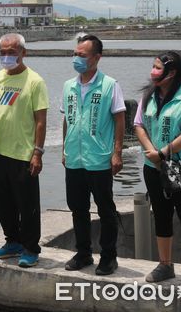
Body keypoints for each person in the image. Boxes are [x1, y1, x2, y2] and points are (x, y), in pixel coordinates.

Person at [134, 51, 181, 285]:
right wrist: (151, 153)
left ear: (171, 73)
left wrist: (163, 153)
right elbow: (139, 125)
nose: (152, 71)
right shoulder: (148, 97)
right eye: (153, 66)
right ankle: (165, 265)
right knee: (161, 216)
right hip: (152, 166)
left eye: (157, 67)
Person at [0, 33, 48, 268]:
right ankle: (13, 241)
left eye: (12, 52)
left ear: (23, 53)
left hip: (23, 153)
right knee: (1, 201)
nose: (7, 56)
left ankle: (30, 248)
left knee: (27, 204)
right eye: (3, 52)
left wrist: (37, 152)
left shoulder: (34, 81)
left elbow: (40, 120)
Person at [61, 34, 125, 276]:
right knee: (77, 208)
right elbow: (67, 118)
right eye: (75, 54)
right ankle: (83, 253)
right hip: (75, 159)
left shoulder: (109, 85)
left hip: (99, 158)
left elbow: (120, 118)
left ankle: (109, 257)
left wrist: (117, 153)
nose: (77, 58)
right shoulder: (69, 85)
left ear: (97, 58)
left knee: (105, 209)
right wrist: (66, 149)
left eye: (82, 55)